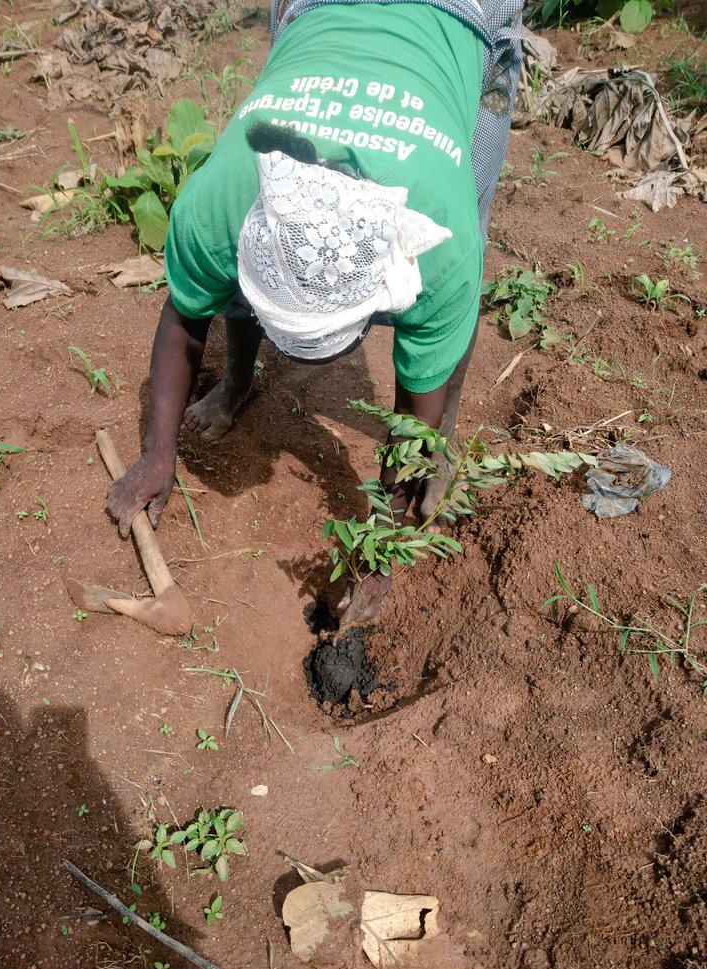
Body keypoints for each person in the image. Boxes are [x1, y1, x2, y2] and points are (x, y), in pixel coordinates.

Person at [107, 0, 523, 623]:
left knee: (463, 260)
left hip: (468, 16)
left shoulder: (442, 243)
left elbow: (410, 417)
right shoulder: (219, 204)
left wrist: (381, 550)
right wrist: (156, 455)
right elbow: (184, 316)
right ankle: (236, 382)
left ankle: (449, 444)